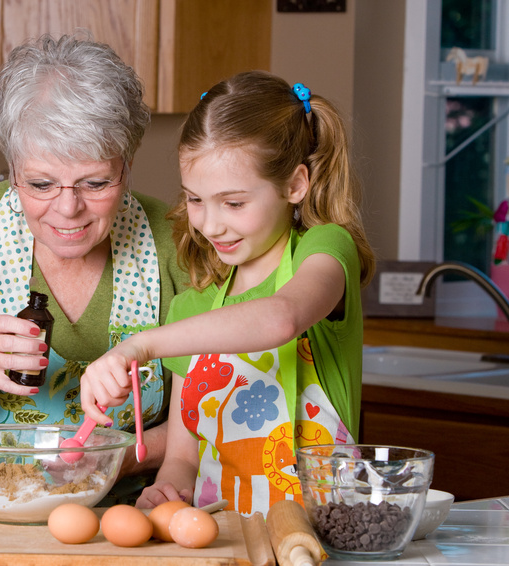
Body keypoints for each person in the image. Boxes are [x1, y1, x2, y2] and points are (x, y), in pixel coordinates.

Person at [0, 33, 188, 500]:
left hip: (129, 514)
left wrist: (110, 460)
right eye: (41, 184)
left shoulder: (178, 244)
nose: (68, 209)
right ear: (12, 168)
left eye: (95, 183)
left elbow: (208, 416)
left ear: (127, 165)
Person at [79, 71, 376, 516]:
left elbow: (280, 318)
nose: (210, 224)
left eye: (234, 203)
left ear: (295, 185)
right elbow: (183, 458)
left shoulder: (325, 251)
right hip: (223, 539)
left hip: (323, 532)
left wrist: (139, 345)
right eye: (195, 200)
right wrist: (167, 490)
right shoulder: (192, 307)